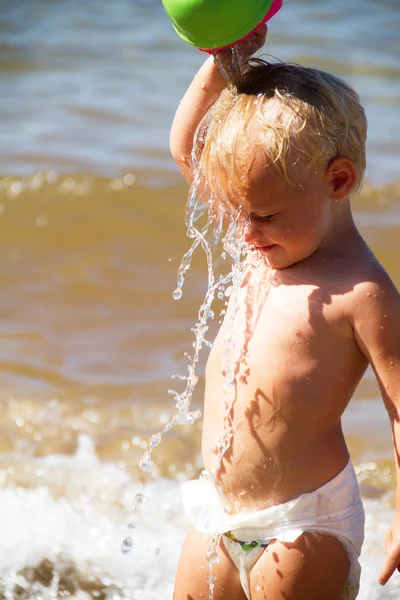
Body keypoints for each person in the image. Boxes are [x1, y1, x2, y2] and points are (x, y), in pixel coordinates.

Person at [170, 27, 400, 600]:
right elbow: (187, 148)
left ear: (338, 181)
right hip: (217, 513)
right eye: (237, 212)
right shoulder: (267, 239)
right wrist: (224, 59)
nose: (244, 232)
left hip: (305, 526)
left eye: (264, 216)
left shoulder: (360, 292)